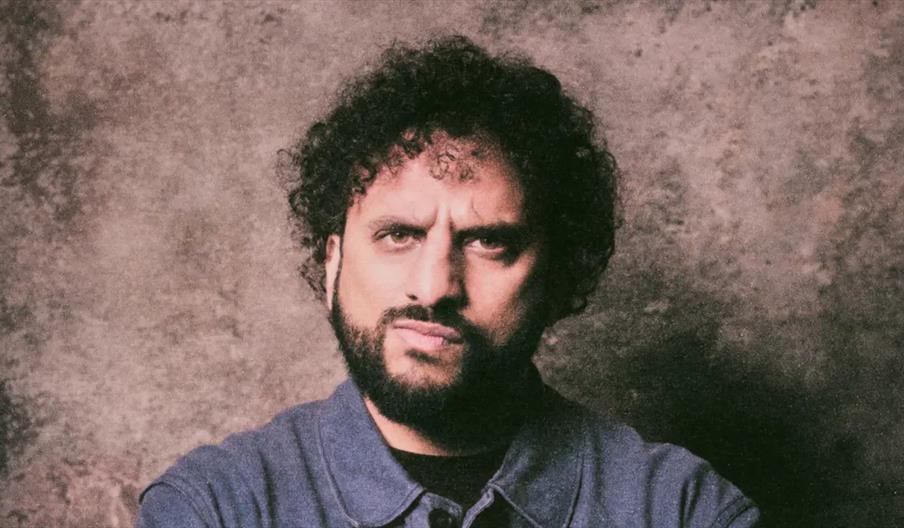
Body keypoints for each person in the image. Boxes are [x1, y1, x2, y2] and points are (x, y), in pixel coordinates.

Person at [136, 36, 760, 528]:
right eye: (398, 234)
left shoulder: (683, 511)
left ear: (559, 275)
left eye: (489, 242)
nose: (434, 288)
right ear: (332, 263)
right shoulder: (214, 509)